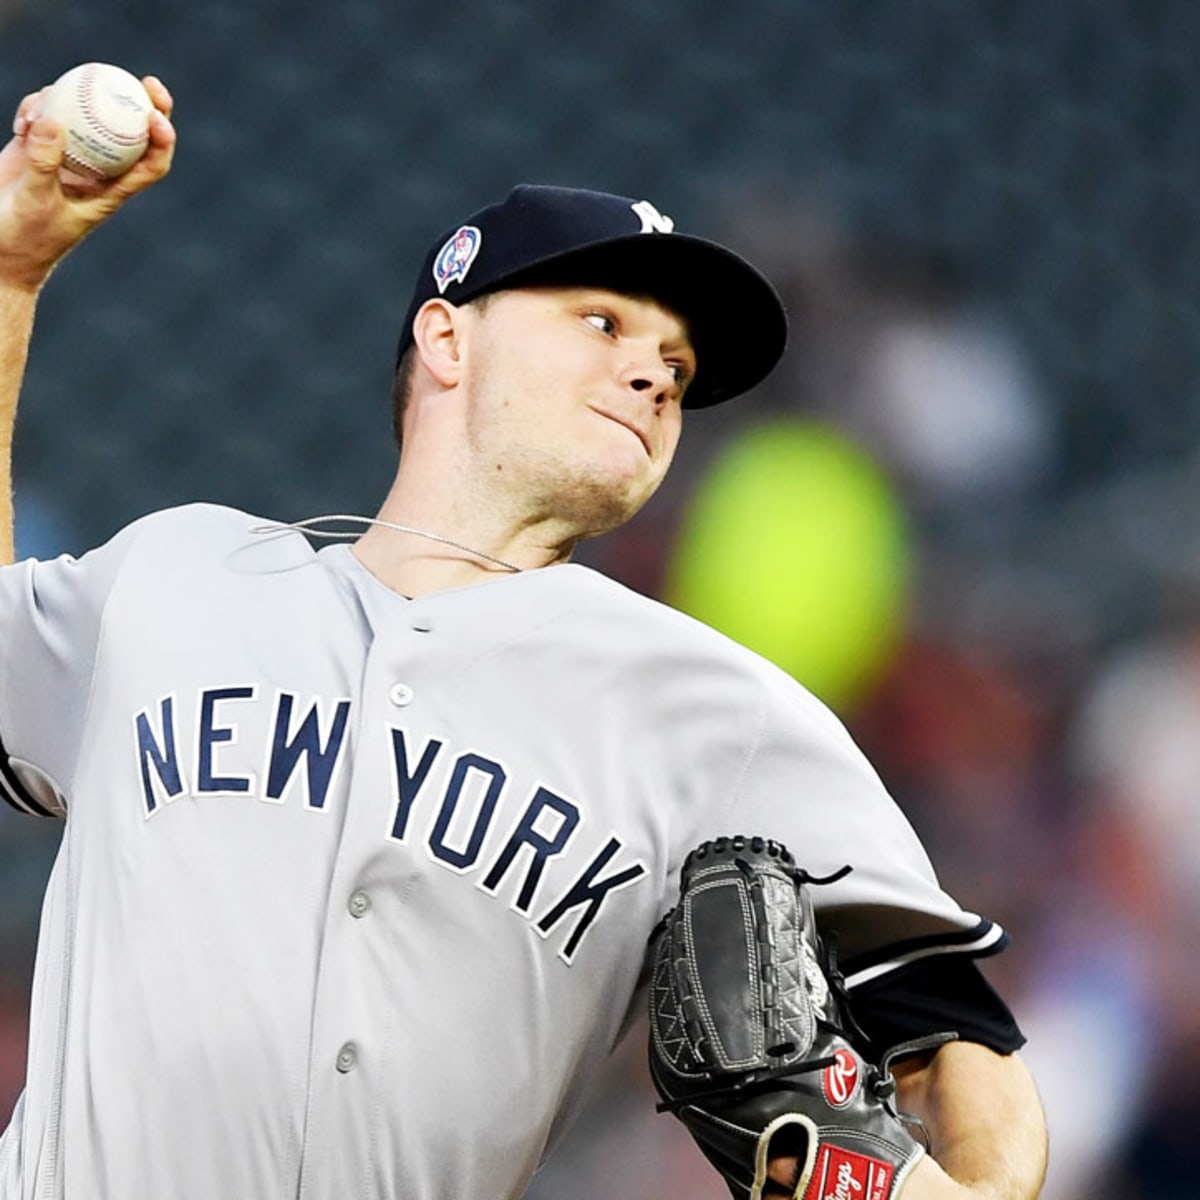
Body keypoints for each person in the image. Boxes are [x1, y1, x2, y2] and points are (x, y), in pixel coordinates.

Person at [0, 74, 1047, 1200]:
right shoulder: (176, 573)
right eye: (603, 323)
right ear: (447, 337)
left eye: (679, 369)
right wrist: (12, 270)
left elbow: (955, 1034)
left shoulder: (720, 711)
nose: (653, 373)